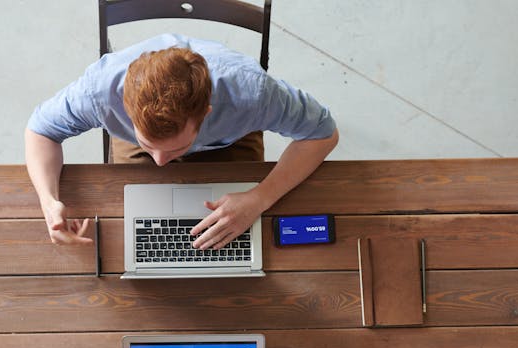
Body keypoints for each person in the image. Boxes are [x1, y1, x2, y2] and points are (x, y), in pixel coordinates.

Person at [25, 33, 339, 249]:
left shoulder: (252, 95)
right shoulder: (98, 93)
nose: (161, 163)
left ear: (206, 113)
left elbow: (323, 133)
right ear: (125, 108)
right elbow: (40, 131)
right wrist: (49, 202)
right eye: (149, 146)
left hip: (230, 142)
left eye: (174, 149)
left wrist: (259, 198)